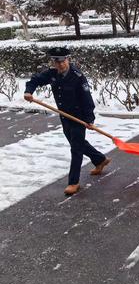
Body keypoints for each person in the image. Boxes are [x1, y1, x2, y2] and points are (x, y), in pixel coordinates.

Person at [24, 47, 110, 195]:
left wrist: (89, 119)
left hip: (78, 117)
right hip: (65, 117)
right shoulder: (52, 74)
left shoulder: (78, 77)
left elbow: (87, 100)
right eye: (57, 63)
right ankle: (100, 159)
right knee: (77, 143)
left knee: (76, 149)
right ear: (54, 63)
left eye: (63, 61)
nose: (60, 65)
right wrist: (28, 91)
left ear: (67, 59)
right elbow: (35, 80)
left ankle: (73, 182)